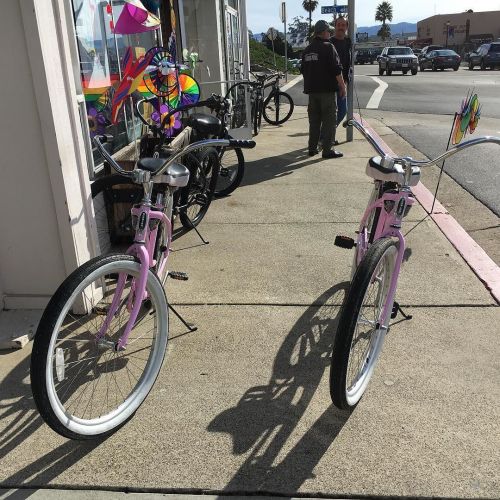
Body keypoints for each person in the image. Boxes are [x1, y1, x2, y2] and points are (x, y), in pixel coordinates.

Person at [301, 19, 346, 159]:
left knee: (314, 122)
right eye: (329, 31)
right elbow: (336, 69)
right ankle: (327, 150)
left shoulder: (307, 50)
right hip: (326, 92)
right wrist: (342, 86)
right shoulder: (328, 47)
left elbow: (303, 70)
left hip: (312, 93)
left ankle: (312, 148)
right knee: (329, 121)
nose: (330, 33)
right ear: (324, 32)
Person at [331, 16, 352, 130]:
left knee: (343, 111)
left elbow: (348, 63)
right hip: (330, 84)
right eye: (338, 25)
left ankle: (325, 136)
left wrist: (345, 81)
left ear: (347, 27)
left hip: (343, 83)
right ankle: (325, 137)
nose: (341, 27)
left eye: (343, 25)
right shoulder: (330, 43)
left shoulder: (348, 42)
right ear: (335, 26)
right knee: (330, 113)